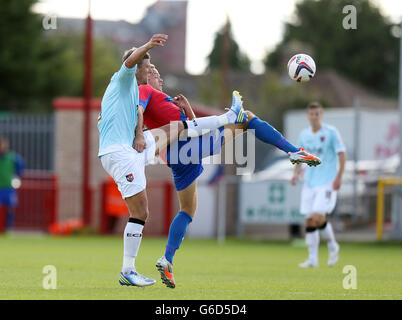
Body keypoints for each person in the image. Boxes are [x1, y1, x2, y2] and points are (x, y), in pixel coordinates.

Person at [138, 66, 322, 288]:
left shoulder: (163, 98)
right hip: (185, 148)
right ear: (142, 75)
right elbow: (145, 113)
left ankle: (167, 260)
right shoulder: (144, 90)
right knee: (247, 119)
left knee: (187, 210)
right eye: (152, 71)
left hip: (179, 156)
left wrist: (188, 111)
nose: (158, 74)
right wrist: (139, 134)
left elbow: (193, 128)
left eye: (158, 70)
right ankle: (293, 151)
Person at [97, 34, 248, 287]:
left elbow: (135, 113)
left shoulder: (132, 93)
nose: (149, 70)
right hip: (121, 153)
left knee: (179, 127)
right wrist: (148, 45)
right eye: (146, 67)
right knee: (141, 211)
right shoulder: (124, 78)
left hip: (131, 149)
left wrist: (141, 135)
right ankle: (128, 270)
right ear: (136, 68)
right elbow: (131, 65)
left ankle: (229, 116)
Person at [291, 102, 346, 268]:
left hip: (327, 182)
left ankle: (332, 244)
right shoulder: (304, 135)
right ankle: (312, 259)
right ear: (308, 116)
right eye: (311, 114)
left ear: (321, 115)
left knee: (317, 216)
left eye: (317, 114)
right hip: (309, 182)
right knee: (309, 221)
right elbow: (299, 156)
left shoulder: (331, 133)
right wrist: (295, 173)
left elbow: (342, 155)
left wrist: (339, 177)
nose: (314, 117)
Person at [0, 136, 25, 232]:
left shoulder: (12, 157)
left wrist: (17, 176)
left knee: (11, 208)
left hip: (9, 188)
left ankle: (8, 229)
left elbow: (21, 166)